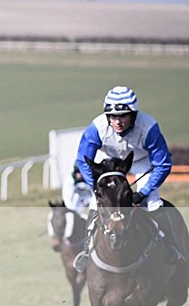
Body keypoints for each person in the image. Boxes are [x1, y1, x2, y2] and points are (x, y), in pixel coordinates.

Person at [73, 85, 178, 273]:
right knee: (96, 205)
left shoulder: (149, 127)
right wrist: (96, 188)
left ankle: (170, 246)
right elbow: (83, 160)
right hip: (109, 166)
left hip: (141, 163)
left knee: (152, 202)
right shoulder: (96, 128)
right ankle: (86, 251)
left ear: (134, 115)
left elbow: (162, 164)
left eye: (123, 116)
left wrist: (143, 193)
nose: (118, 122)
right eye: (113, 117)